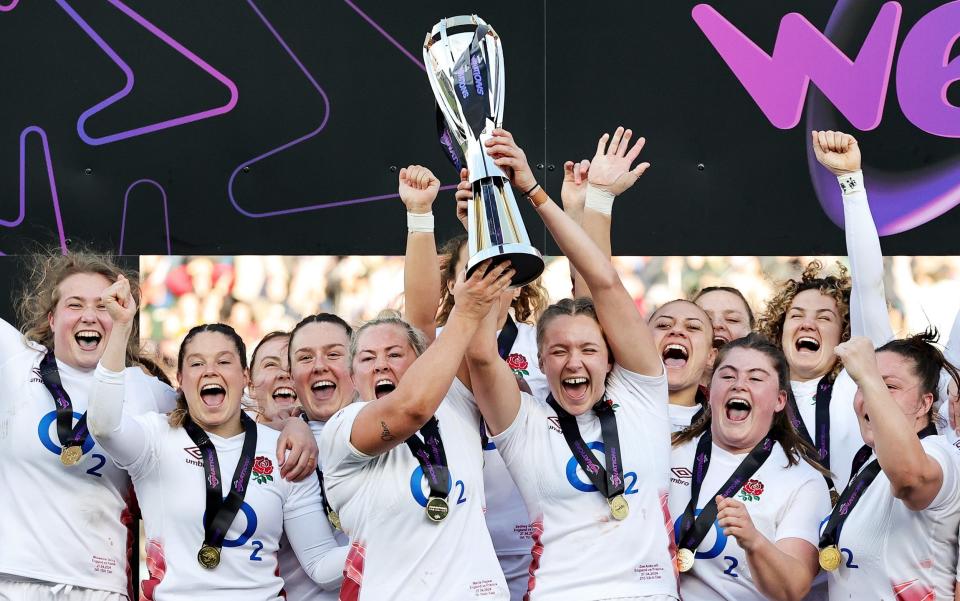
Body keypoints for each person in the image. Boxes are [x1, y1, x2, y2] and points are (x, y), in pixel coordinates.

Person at [464, 126, 677, 600]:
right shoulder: (526, 424)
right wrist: (484, 225)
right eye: (558, 351)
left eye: (587, 350)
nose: (573, 362)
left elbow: (603, 284)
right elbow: (480, 351)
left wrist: (535, 192)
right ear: (539, 360)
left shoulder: (641, 392)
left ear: (611, 357)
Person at [320, 166, 514, 601]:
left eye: (395, 354)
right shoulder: (342, 430)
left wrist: (426, 215)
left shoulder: (454, 396)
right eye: (367, 358)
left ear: (422, 358)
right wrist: (463, 313)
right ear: (353, 377)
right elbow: (410, 410)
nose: (381, 365)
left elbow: (423, 322)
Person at [89, 277, 346, 601]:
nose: (210, 370)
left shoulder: (283, 450)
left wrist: (385, 536)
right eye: (197, 363)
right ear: (180, 381)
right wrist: (121, 328)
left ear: (244, 378)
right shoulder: (155, 439)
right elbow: (103, 426)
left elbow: (321, 564)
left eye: (224, 361)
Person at [0, 251, 176, 601]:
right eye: (75, 305)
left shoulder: (149, 391)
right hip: (13, 578)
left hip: (99, 587)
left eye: (104, 305)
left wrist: (294, 428)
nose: (90, 316)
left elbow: (226, 415)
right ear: (52, 319)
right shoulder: (14, 361)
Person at [756, 131, 893, 490]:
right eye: (797, 314)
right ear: (779, 329)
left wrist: (851, 183)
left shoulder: (860, 380)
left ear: (845, 335)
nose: (808, 324)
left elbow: (868, 284)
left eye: (825, 317)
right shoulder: (758, 390)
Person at [670, 334, 830, 600]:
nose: (739, 385)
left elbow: (793, 588)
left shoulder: (802, 480)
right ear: (710, 389)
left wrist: (754, 541)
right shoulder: (669, 451)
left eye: (755, 378)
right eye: (728, 376)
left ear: (780, 400)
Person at [822, 334, 960, 600]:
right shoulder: (866, 461)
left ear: (924, 403)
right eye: (861, 386)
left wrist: (869, 377)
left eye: (890, 387)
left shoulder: (940, 455)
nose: (871, 397)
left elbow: (911, 478)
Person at [279, 313, 354, 601]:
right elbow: (321, 567)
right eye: (305, 358)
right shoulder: (284, 450)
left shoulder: (394, 426)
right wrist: (407, 537)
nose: (320, 366)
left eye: (334, 354)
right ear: (292, 374)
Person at [650, 300, 717, 432]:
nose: (676, 330)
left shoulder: (720, 431)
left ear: (711, 356)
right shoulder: (612, 405)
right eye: (664, 325)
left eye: (693, 327)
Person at [247, 331, 298, 423]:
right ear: (252, 387)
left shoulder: (330, 435)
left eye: (294, 364)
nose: (284, 374)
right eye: (271, 365)